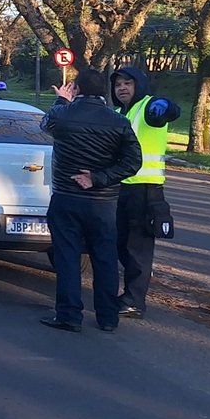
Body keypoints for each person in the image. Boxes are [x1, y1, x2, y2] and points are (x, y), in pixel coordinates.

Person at [39, 68, 142, 333]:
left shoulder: (63, 115)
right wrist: (97, 178)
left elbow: (45, 125)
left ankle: (69, 315)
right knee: (105, 259)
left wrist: (62, 100)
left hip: (66, 198)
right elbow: (133, 162)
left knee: (67, 258)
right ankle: (108, 317)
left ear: (77, 89)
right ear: (104, 91)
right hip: (103, 201)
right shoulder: (117, 121)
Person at [111, 67, 181, 319]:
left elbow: (169, 110)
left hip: (145, 190)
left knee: (137, 248)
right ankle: (130, 293)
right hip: (121, 188)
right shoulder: (119, 113)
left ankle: (134, 300)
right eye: (118, 84)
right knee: (120, 244)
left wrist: (165, 106)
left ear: (139, 85)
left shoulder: (149, 108)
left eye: (128, 83)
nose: (122, 88)